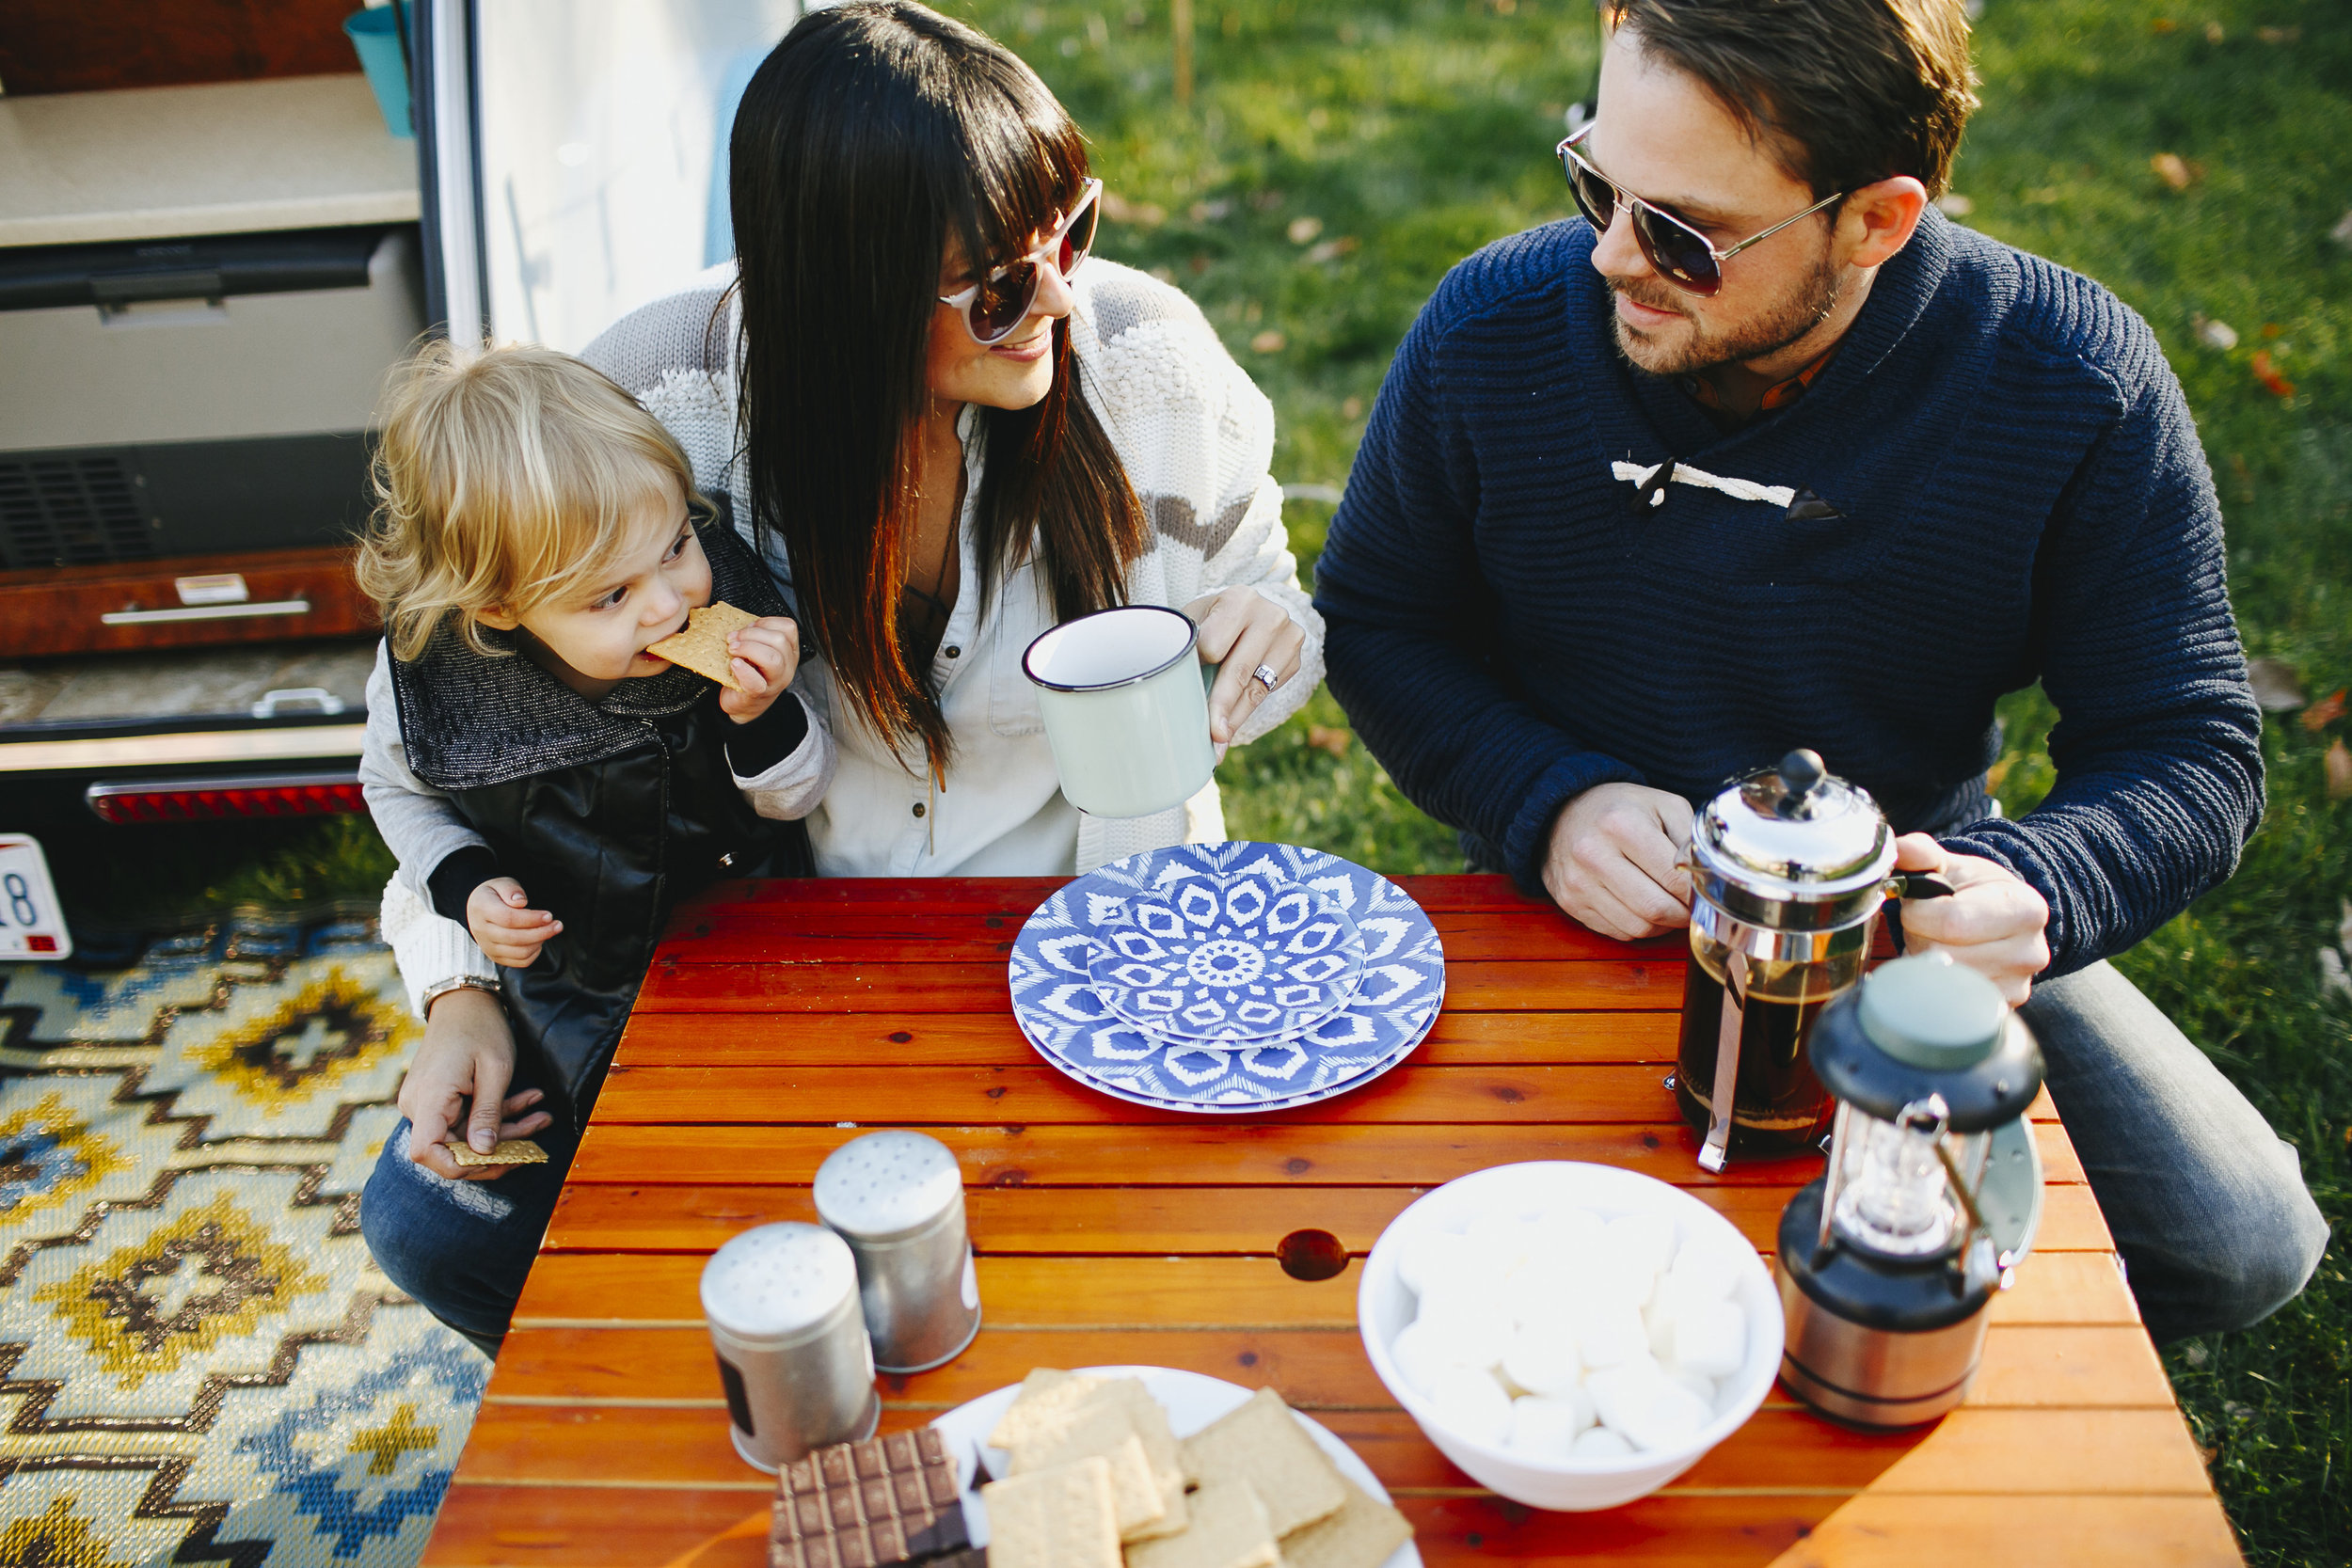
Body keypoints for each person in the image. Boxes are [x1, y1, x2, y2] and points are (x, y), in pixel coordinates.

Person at [1311, 0, 2324, 1342]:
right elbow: (1380, 613)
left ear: (1879, 220)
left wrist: (2036, 884)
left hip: (1903, 914)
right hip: (1574, 885)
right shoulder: (1494, 326)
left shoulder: (2071, 379)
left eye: (1683, 230)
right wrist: (1544, 798)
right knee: (1513, 1276)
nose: (1613, 255)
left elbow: (2188, 740)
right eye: (1597, 181)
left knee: (2241, 1237)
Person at [373, 0, 1325, 1348]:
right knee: (434, 1219)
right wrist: (456, 978)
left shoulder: (1151, 364)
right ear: (845, 295)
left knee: (1080, 1286)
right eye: (998, 281)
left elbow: (1268, 592)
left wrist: (1270, 641)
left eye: (1075, 231)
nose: (1060, 293)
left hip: (1101, 924)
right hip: (764, 952)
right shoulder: (664, 400)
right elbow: (451, 697)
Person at [356, 343, 834, 1354]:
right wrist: (465, 882)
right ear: (498, 607)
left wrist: (760, 713)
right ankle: (579, 1367)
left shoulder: (728, 615)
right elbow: (395, 789)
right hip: (563, 1002)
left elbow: (796, 798)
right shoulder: (436, 680)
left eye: (672, 548)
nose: (666, 603)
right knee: (427, 1224)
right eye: (608, 597)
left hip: (744, 973)